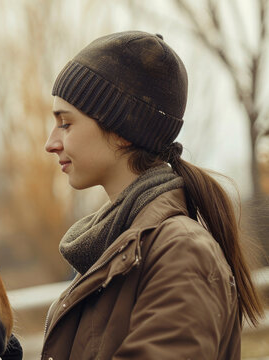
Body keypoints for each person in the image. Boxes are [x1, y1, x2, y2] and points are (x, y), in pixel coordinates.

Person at [42, 31, 264, 359]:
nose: (51, 142)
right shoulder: (116, 245)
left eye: (66, 123)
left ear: (120, 129)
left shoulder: (182, 254)